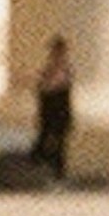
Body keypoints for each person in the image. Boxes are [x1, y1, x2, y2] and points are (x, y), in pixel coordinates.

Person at [33, 34, 75, 180]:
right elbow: (43, 86)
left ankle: (57, 174)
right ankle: (50, 171)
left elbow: (52, 86)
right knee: (45, 142)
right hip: (49, 113)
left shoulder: (63, 69)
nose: (53, 54)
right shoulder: (51, 68)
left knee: (57, 144)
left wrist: (45, 83)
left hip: (59, 112)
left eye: (55, 50)